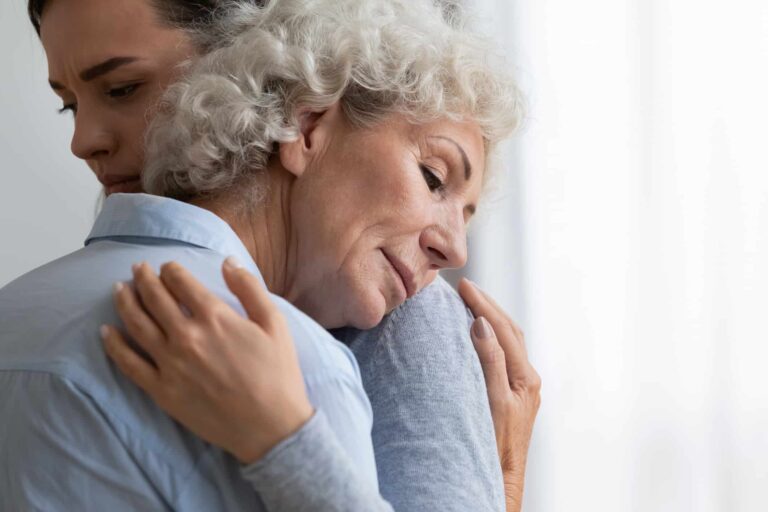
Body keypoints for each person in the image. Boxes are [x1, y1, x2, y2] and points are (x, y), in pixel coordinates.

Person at [2, 0, 540, 510]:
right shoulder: (302, 364)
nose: (81, 140)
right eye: (433, 177)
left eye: (121, 88)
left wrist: (495, 478)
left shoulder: (23, 310)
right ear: (304, 124)